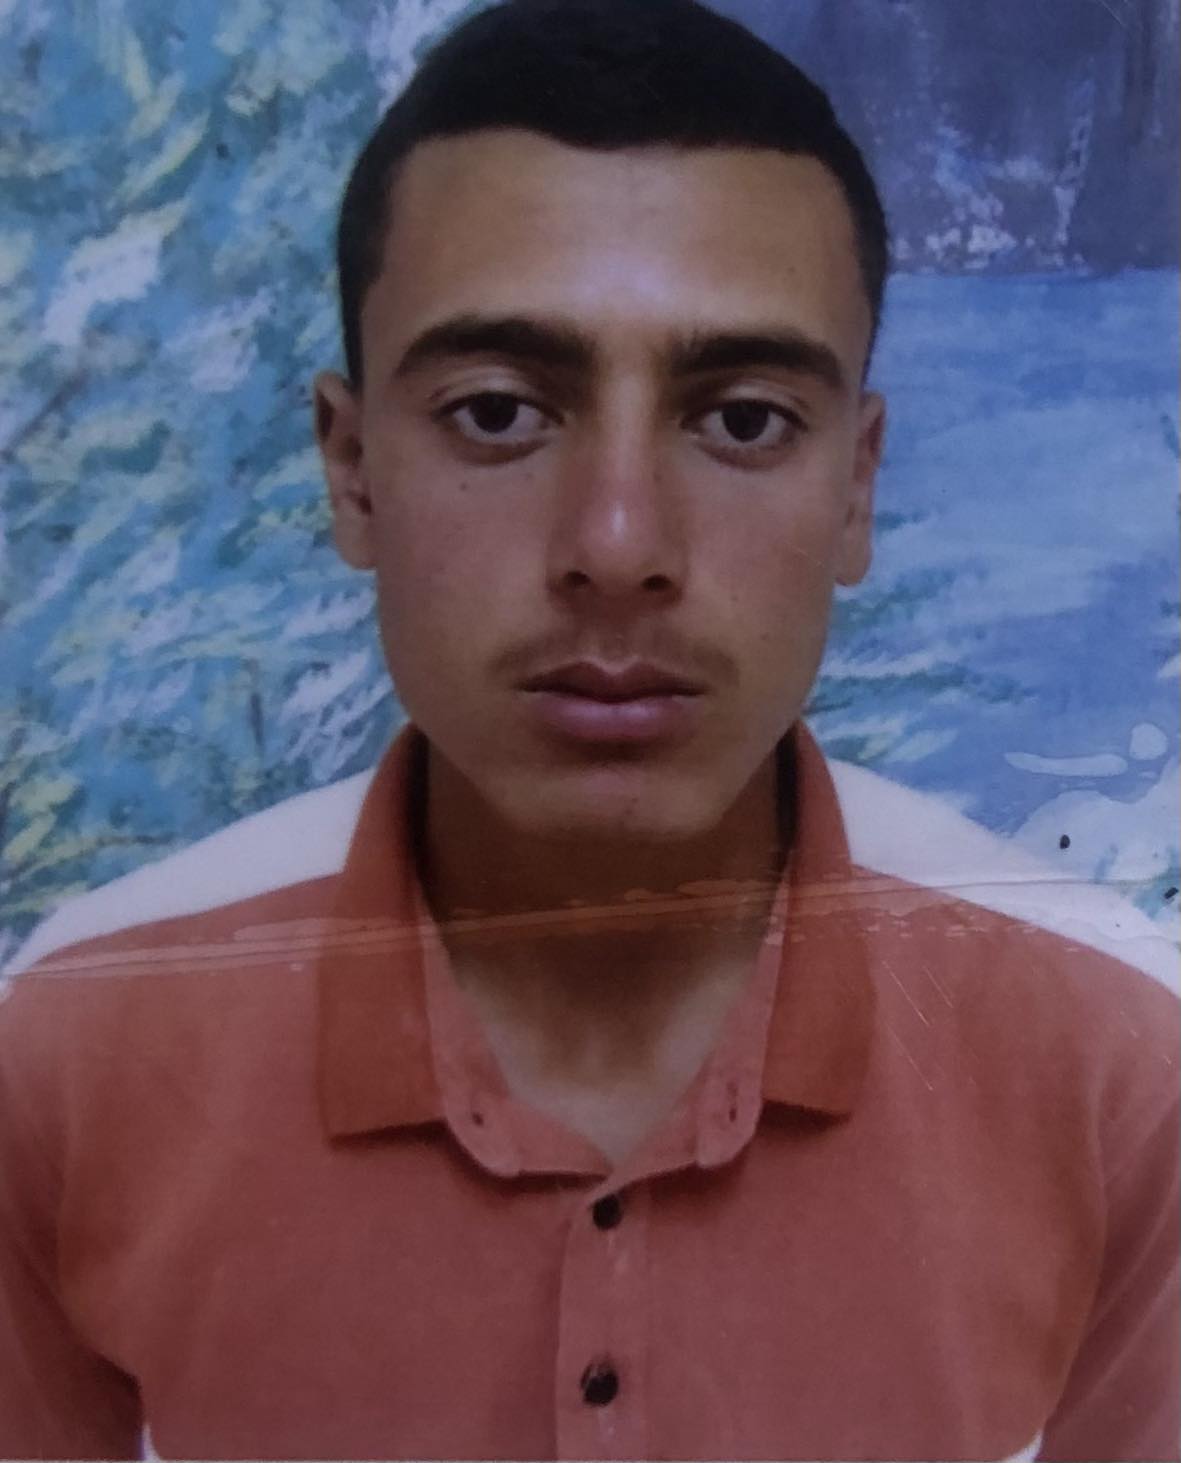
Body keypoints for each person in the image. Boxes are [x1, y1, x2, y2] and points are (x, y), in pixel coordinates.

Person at [1, 1, 1177, 1459]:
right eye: (499, 412)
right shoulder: (75, 1057)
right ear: (352, 470)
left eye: (742, 421)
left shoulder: (1117, 1069)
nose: (618, 546)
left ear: (857, 487)